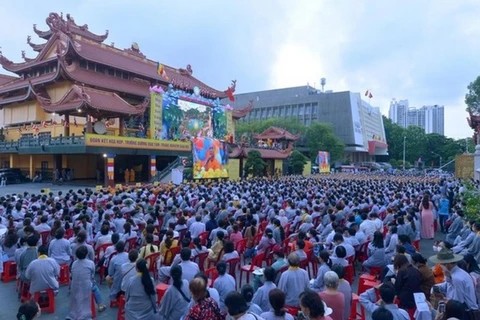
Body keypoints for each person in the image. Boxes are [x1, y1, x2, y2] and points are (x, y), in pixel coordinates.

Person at [67, 245, 104, 319]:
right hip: (86, 286)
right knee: (95, 288)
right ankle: (100, 304)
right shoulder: (90, 263)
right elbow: (92, 275)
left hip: (74, 286)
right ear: (86, 254)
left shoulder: (74, 263)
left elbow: (72, 275)